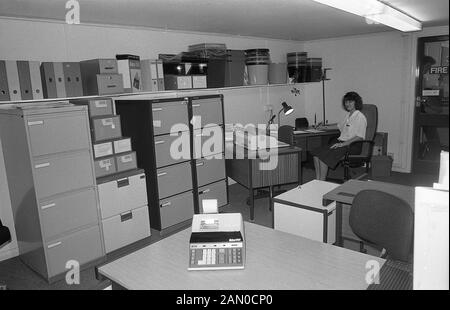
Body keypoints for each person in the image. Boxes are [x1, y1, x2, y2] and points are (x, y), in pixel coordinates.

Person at [312, 91, 367, 180]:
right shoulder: (348, 115)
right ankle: (318, 179)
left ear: (356, 102)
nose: (347, 104)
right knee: (316, 153)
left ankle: (322, 182)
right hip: (341, 143)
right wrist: (323, 127)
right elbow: (338, 126)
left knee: (323, 157)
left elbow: (359, 136)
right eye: (346, 102)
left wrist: (342, 144)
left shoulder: (360, 117)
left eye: (350, 101)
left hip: (352, 145)